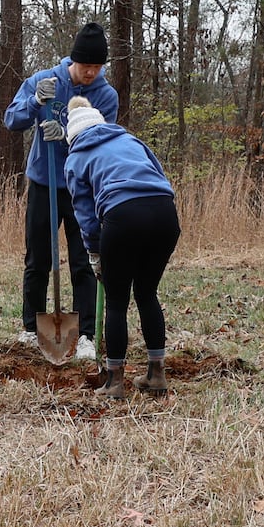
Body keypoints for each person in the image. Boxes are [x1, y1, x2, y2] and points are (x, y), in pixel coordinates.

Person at [3, 21, 118, 361]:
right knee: (38, 257)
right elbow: (12, 120)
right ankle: (30, 328)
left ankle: (84, 335)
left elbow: (103, 142)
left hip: (82, 186)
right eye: (86, 67)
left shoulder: (105, 96)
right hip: (44, 182)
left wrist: (67, 132)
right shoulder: (44, 81)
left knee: (84, 260)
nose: (91, 74)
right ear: (74, 60)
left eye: (98, 68)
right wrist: (36, 103)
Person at [62, 96, 180, 398]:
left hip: (123, 216)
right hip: (165, 214)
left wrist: (95, 252)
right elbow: (159, 175)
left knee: (116, 300)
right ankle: (156, 374)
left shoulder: (76, 158)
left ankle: (114, 381)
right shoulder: (131, 140)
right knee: (146, 292)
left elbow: (85, 216)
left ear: (71, 135)